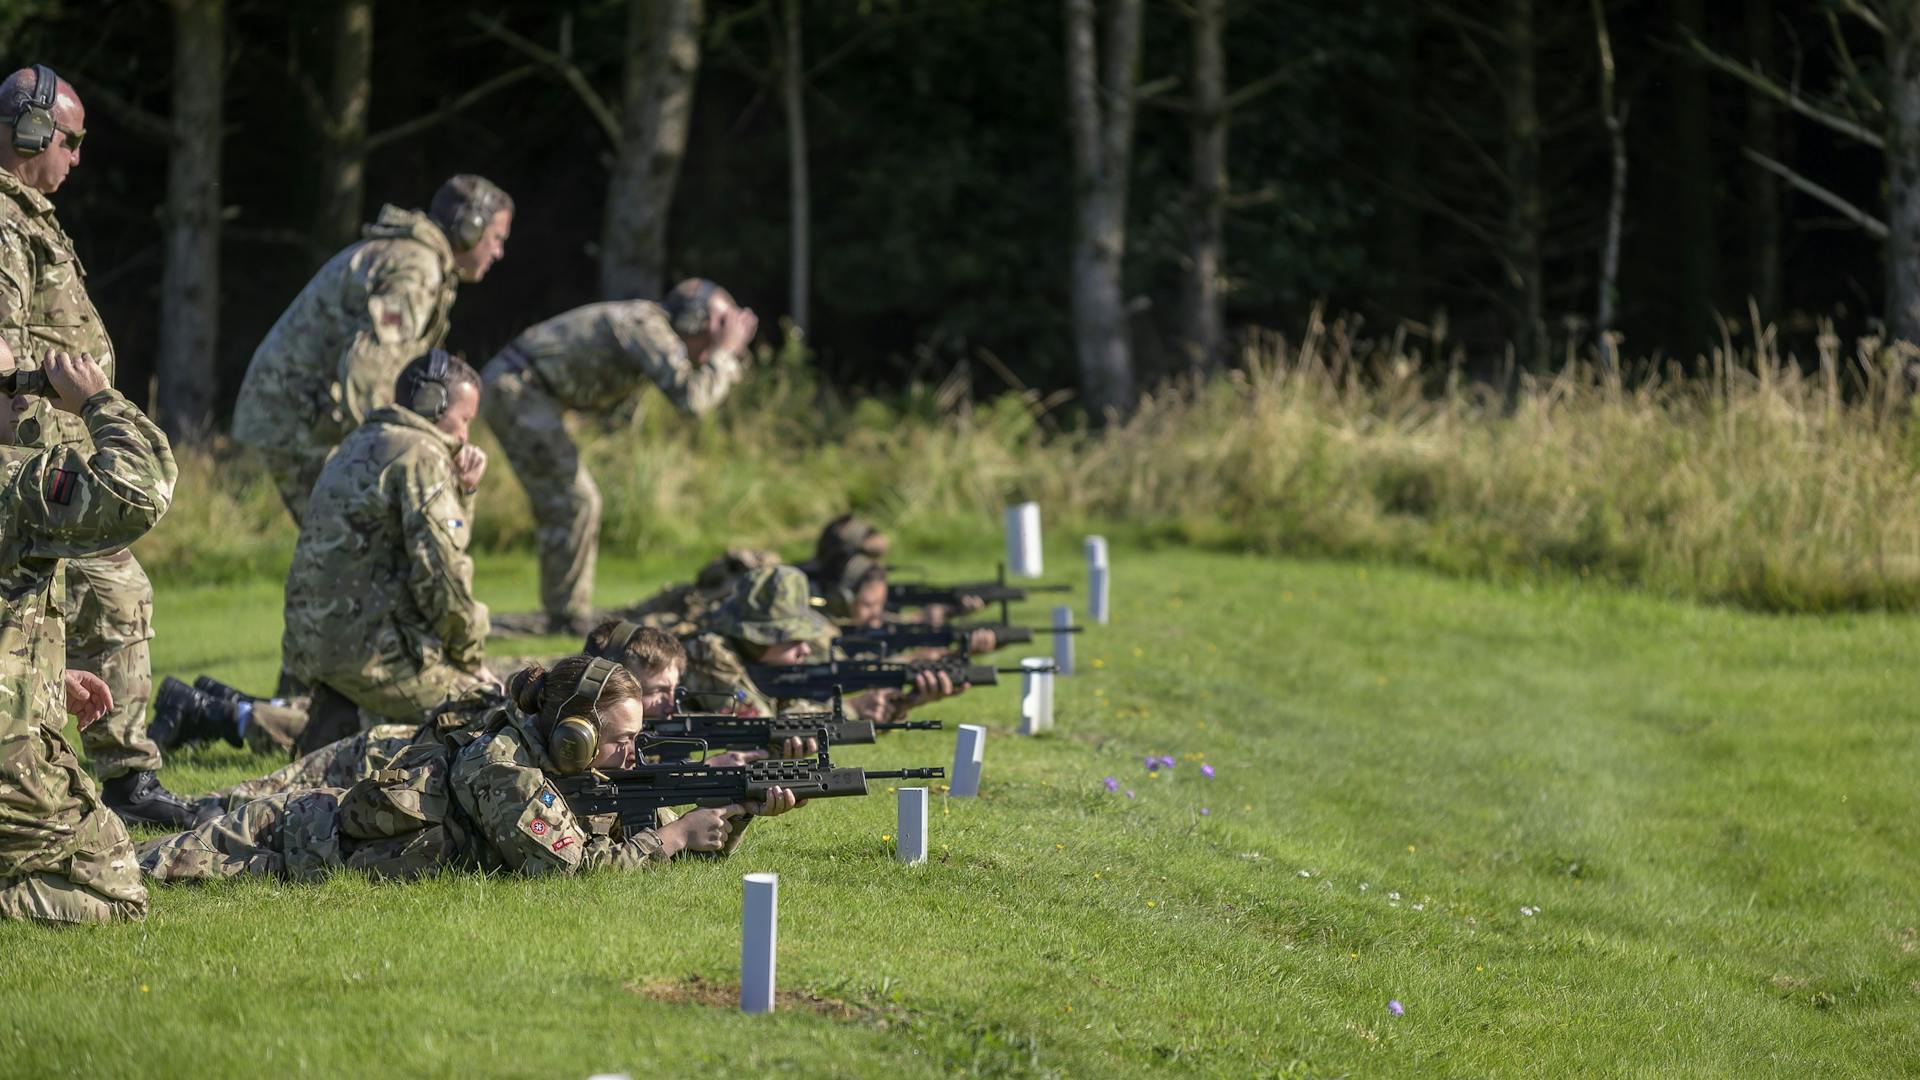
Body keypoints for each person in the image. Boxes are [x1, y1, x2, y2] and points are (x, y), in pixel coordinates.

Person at [140, 657, 800, 882]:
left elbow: (645, 830)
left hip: (319, 832)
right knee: (126, 869)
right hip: (287, 844)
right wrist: (677, 836)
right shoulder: (506, 767)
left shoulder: (571, 766)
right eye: (622, 739)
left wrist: (737, 807)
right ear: (570, 736)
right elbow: (567, 869)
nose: (635, 752)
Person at [0, 64, 194, 827]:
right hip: (33, 470)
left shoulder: (26, 216)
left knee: (98, 600)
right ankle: (115, 780)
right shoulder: (3, 225)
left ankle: (104, 771)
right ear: (30, 133)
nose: (77, 158)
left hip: (51, 457)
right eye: (70, 141)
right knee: (110, 596)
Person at [0, 344, 176, 923]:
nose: (29, 397)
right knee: (115, 884)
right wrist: (96, 400)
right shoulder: (16, 486)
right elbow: (139, 487)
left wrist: (46, 678)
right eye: (13, 383)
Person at [232, 174, 512, 524]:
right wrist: (386, 455)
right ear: (470, 227)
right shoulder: (416, 267)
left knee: (348, 547)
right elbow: (372, 371)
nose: (499, 252)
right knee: (358, 541)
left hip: (300, 411)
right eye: (497, 238)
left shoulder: (414, 257)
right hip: (301, 417)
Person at [481, 280, 757, 635]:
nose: (719, 338)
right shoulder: (646, 327)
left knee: (572, 502)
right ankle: (566, 619)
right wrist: (723, 352)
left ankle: (565, 614)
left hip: (530, 392)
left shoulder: (653, 328)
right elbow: (692, 399)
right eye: (717, 327)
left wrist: (726, 353)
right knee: (576, 500)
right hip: (518, 391)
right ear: (692, 320)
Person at [281, 350, 494, 754]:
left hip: (316, 646)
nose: (466, 434)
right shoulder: (422, 455)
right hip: (374, 654)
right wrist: (470, 657)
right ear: (433, 403)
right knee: (489, 712)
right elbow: (442, 574)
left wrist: (463, 493)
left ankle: (338, 728)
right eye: (464, 419)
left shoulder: (357, 444)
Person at [682, 565, 961, 720]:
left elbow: (794, 708)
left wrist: (901, 699)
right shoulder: (710, 653)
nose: (805, 649)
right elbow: (761, 724)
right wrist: (853, 709)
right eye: (792, 638)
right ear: (756, 637)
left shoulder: (763, 663)